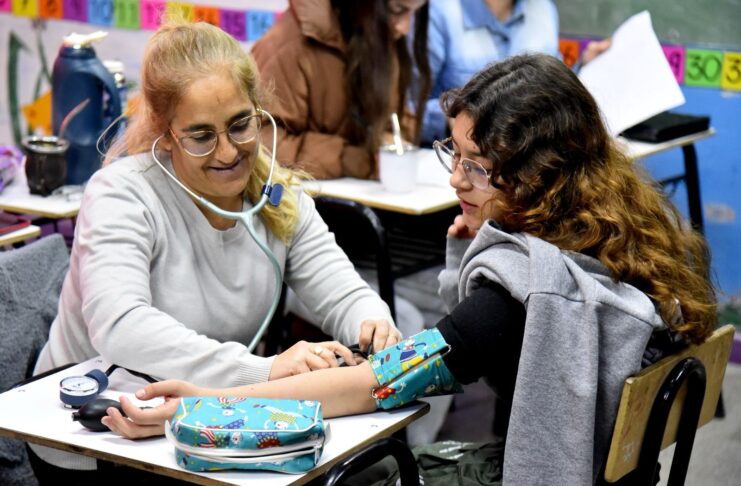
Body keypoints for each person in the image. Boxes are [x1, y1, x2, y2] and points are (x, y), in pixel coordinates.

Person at [102, 54, 716, 485]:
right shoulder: (623, 237)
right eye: (455, 153)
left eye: (475, 166)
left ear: (537, 175)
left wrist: (203, 403)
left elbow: (374, 385)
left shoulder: (523, 294)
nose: (454, 179)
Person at [30, 19, 403, 480]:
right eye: (202, 136)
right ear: (166, 135)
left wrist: (376, 328)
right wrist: (262, 373)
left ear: (258, 112)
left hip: (198, 422)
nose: (228, 152)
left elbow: (345, 296)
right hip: (92, 437)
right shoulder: (120, 194)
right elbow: (121, 325)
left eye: (240, 125)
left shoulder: (277, 197)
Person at [250, 0, 431, 179]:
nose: (404, 28)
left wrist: (390, 139)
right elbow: (263, 145)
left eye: (414, 13)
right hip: (302, 200)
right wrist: (349, 159)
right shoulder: (285, 48)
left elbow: (397, 118)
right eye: (398, 10)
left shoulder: (375, 33)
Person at [422, 0, 610, 144]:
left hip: (530, 162)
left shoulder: (542, 9)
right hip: (463, 162)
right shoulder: (438, 11)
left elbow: (553, 92)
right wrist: (452, 117)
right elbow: (404, 110)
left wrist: (584, 67)